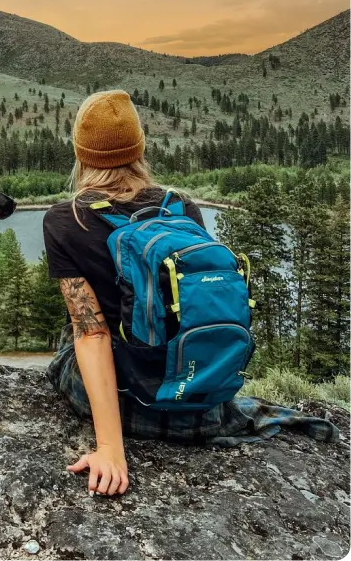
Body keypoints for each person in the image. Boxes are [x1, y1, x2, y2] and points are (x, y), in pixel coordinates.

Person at [43, 90, 338, 498]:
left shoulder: (65, 219)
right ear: (139, 148)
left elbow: (93, 334)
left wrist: (111, 450)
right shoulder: (180, 207)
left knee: (72, 336)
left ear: (81, 153)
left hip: (131, 406)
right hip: (196, 401)